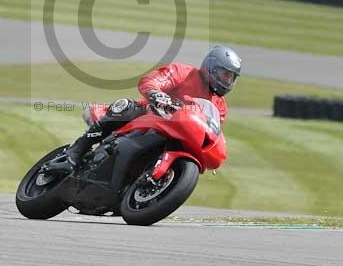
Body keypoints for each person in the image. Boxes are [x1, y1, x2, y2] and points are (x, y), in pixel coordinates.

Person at [45, 45, 242, 173]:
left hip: (180, 134)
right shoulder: (184, 72)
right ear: (211, 67)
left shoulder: (220, 106)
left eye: (231, 77)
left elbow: (211, 130)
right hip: (152, 115)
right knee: (125, 107)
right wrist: (157, 94)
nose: (227, 81)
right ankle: (76, 152)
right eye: (225, 74)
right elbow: (152, 80)